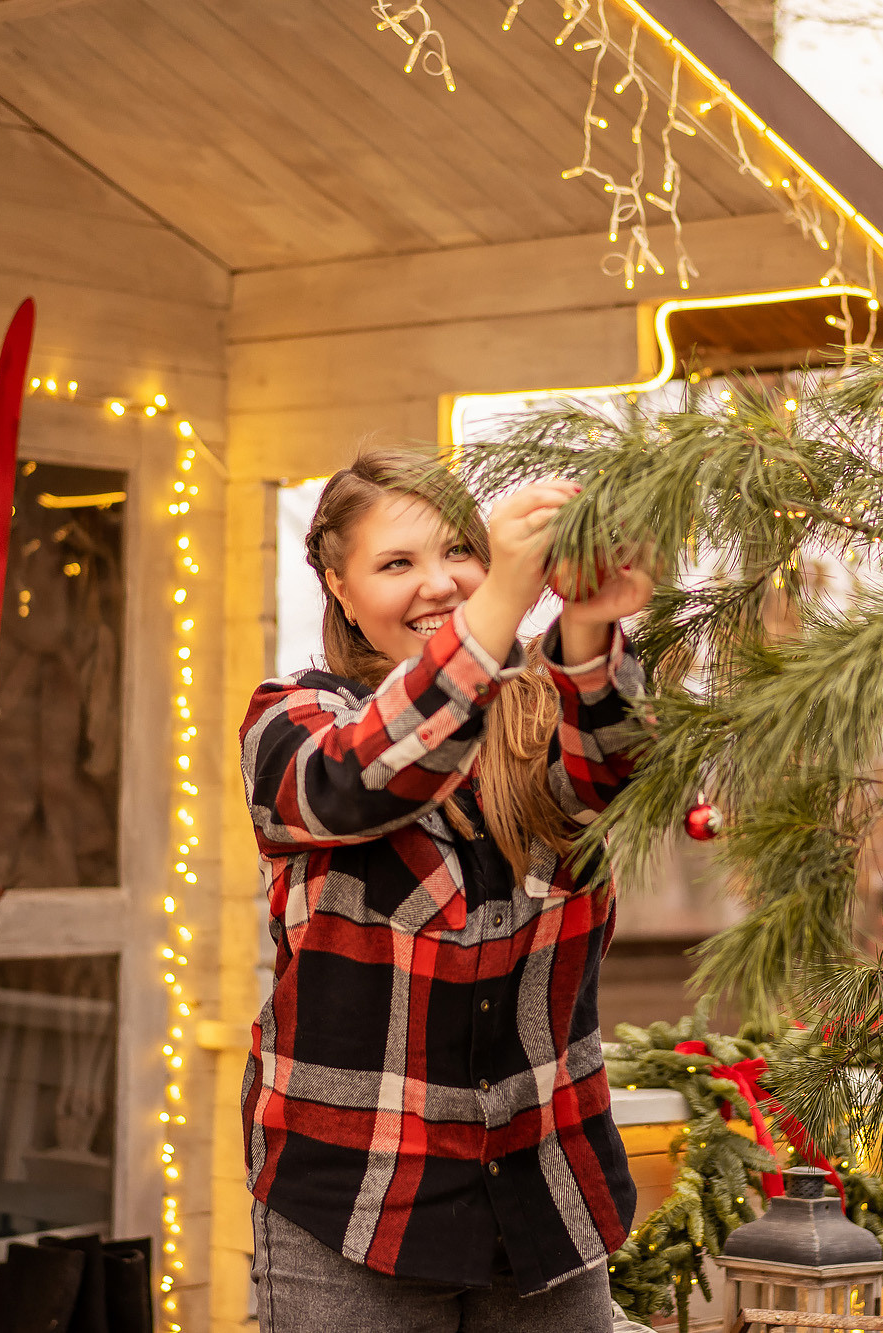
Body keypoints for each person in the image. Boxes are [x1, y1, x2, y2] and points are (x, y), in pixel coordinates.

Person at [240, 449, 653, 1332]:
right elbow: (366, 776)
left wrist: (590, 618)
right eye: (397, 563)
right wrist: (499, 599)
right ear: (339, 586)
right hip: (355, 1206)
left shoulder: (548, 714)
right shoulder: (290, 722)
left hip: (546, 1201)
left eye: (460, 551)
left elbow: (612, 769)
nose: (439, 583)